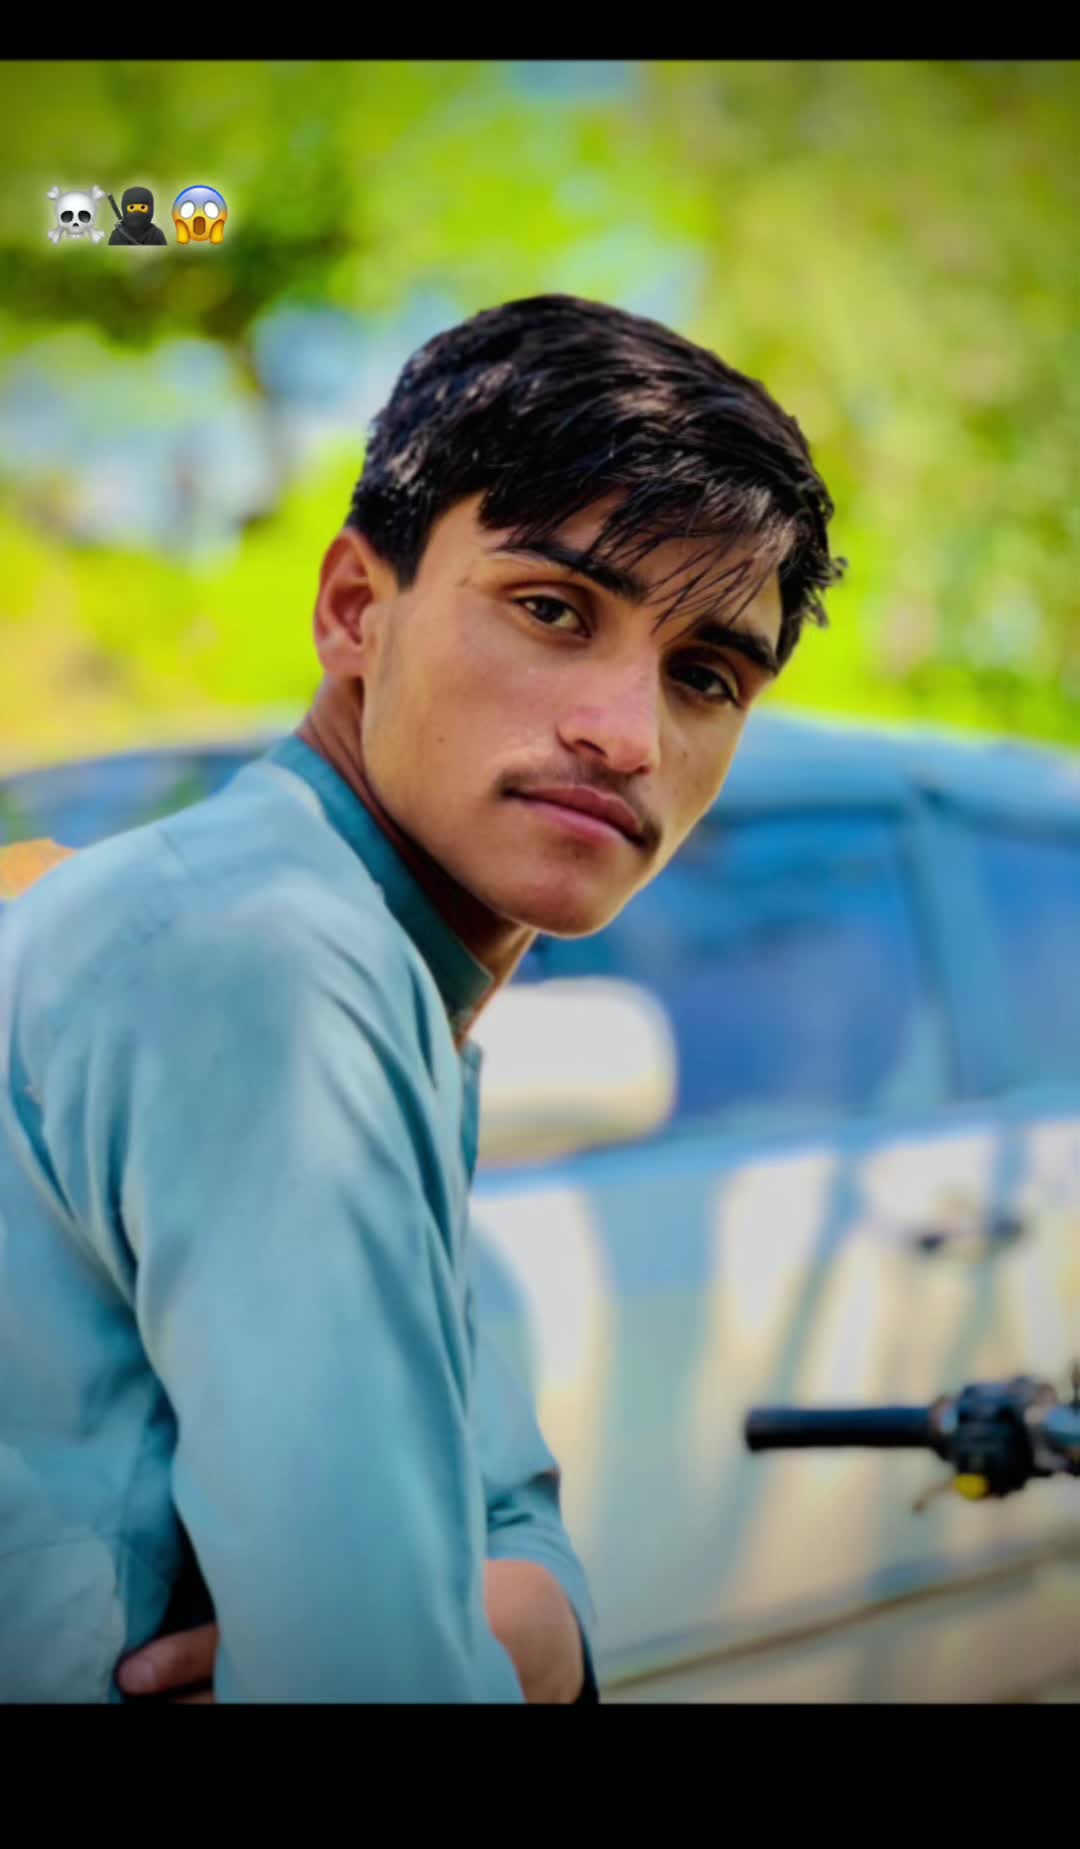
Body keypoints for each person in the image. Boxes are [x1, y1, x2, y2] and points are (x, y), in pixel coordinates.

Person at [0, 293, 843, 1703]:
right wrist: (492, 1634)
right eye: (552, 610)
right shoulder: (267, 959)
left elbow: (502, 1514)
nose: (626, 735)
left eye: (704, 676)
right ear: (354, 609)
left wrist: (522, 1626)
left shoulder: (365, 964)